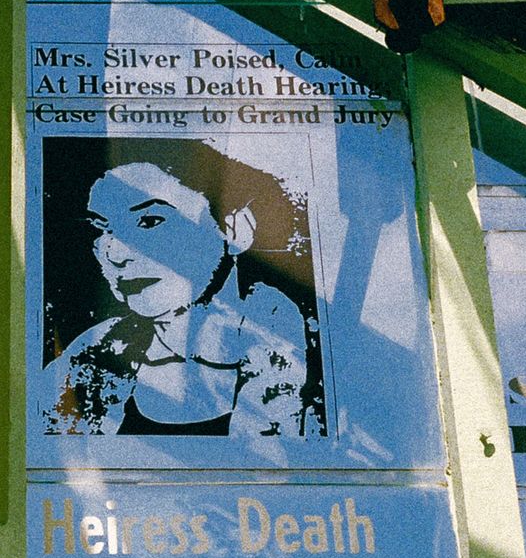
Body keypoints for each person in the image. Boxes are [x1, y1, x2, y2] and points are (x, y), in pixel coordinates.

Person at [40, 137, 324, 437]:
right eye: (101, 230)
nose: (115, 253)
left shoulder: (314, 363)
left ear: (235, 230)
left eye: (149, 221)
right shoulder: (89, 357)